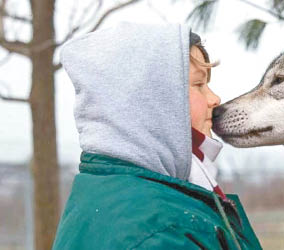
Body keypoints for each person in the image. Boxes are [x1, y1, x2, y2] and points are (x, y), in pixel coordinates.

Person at [52, 22, 262, 250]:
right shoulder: (160, 234)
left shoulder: (105, 194)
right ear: (150, 102)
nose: (215, 98)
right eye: (199, 85)